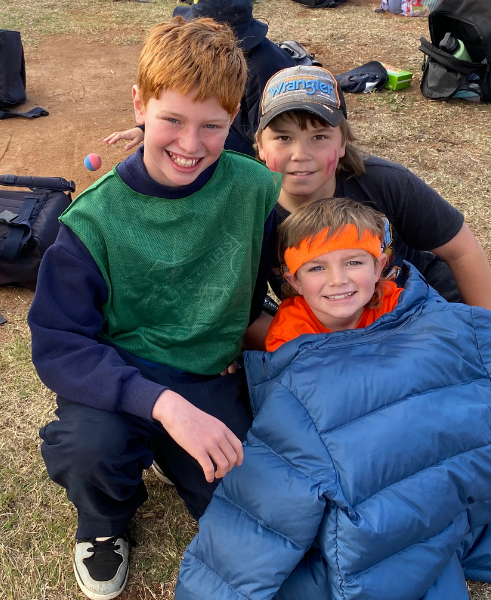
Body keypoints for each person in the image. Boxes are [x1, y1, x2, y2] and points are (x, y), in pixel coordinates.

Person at [28, 17, 281, 600]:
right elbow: (60, 346)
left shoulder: (254, 190)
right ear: (139, 104)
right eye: (172, 120)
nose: (190, 146)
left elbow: (288, 272)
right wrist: (163, 405)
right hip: (120, 381)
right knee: (89, 449)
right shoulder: (91, 219)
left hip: (209, 375)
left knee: (252, 510)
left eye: (211, 126)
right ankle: (103, 522)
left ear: (234, 118)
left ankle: (175, 454)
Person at [176, 197, 491, 600]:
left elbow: (466, 351)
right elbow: (277, 477)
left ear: (381, 265)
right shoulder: (290, 343)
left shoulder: (420, 311)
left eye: (354, 262)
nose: (338, 280)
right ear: (291, 279)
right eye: (317, 268)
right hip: (379, 491)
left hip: (448, 476)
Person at [254, 65, 491, 310]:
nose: (300, 155)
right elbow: (242, 314)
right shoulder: (248, 209)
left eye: (319, 137)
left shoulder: (385, 182)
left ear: (344, 143)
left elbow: (463, 252)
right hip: (322, 334)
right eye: (283, 138)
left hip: (423, 307)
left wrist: (484, 330)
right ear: (260, 145)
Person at [104, 0, 295, 155]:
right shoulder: (199, 57)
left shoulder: (264, 69)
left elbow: (271, 140)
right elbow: (188, 104)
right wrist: (146, 128)